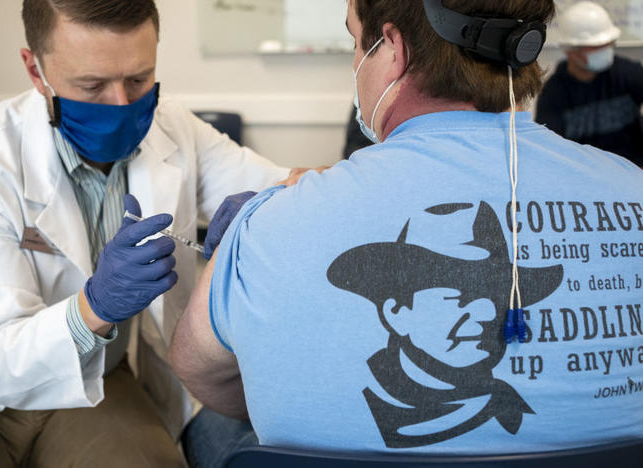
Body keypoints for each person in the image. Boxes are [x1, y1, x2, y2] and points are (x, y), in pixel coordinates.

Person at [170, 0, 643, 465]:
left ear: (393, 47)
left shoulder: (269, 221)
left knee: (213, 428)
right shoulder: (634, 190)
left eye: (357, 43)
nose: (480, 313)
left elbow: (201, 372)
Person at [0, 0, 294, 466]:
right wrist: (95, 307)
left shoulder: (172, 125)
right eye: (91, 85)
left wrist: (269, 211)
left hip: (97, 380)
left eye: (138, 79)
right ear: (35, 68)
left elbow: (288, 185)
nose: (122, 104)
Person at [535, 1, 643, 167]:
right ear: (572, 51)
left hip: (634, 170)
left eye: (608, 44)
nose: (606, 51)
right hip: (585, 176)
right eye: (597, 47)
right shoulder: (554, 94)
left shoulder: (627, 73)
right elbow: (551, 152)